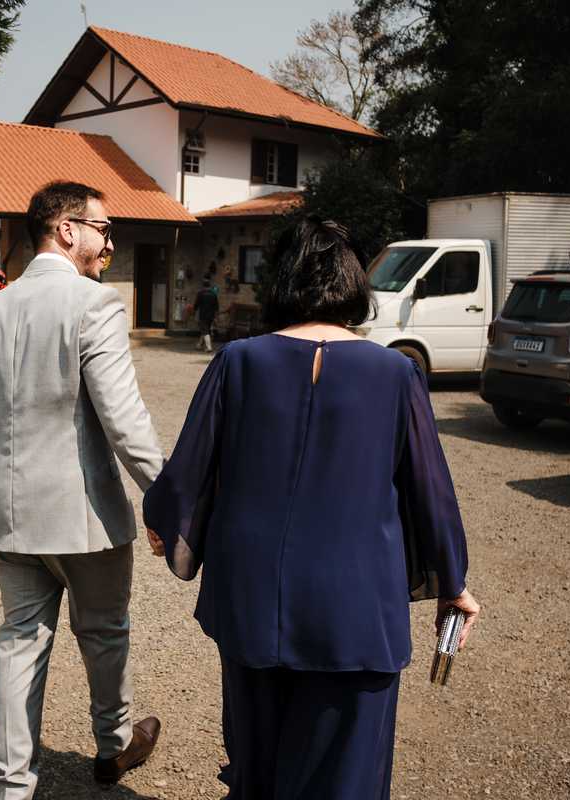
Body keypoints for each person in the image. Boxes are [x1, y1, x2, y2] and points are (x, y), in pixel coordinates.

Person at [142, 217, 480, 800]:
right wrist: (453, 582)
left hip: (252, 598)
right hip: (356, 604)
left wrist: (166, 524)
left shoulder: (238, 361)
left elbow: (187, 468)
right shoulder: (397, 372)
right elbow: (431, 489)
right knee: (342, 776)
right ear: (354, 285)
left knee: (258, 768)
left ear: (283, 282)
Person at [0, 181, 167, 799]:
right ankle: (112, 748)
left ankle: (12, 786)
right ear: (67, 229)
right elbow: (124, 421)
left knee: (19, 644)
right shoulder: (94, 304)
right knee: (104, 632)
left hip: (11, 509)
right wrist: (168, 497)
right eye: (104, 229)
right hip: (85, 518)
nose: (110, 243)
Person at [192, 278, 219, 352]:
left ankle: (209, 347)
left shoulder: (201, 293)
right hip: (211, 315)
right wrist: (215, 318)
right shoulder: (213, 294)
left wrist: (192, 315)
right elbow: (216, 308)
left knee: (205, 330)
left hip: (203, 315)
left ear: (202, 286)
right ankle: (200, 344)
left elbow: (196, 305)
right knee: (205, 330)